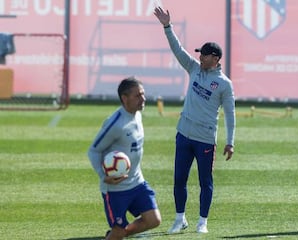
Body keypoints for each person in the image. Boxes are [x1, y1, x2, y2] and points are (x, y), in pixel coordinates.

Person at [154, 7, 236, 234]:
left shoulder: (224, 84)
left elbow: (230, 114)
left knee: (205, 182)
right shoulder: (193, 68)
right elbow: (177, 49)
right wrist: (167, 27)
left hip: (205, 140)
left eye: (204, 55)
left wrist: (230, 141)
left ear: (216, 59)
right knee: (179, 179)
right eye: (200, 54)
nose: (200, 57)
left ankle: (203, 221)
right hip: (184, 134)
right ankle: (180, 219)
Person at [87, 77, 161, 240]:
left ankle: (117, 235)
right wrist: (103, 175)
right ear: (124, 98)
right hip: (116, 190)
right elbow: (93, 151)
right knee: (118, 230)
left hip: (137, 182)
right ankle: (117, 234)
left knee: (154, 220)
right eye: (138, 96)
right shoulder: (115, 124)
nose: (143, 99)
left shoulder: (137, 114)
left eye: (143, 94)